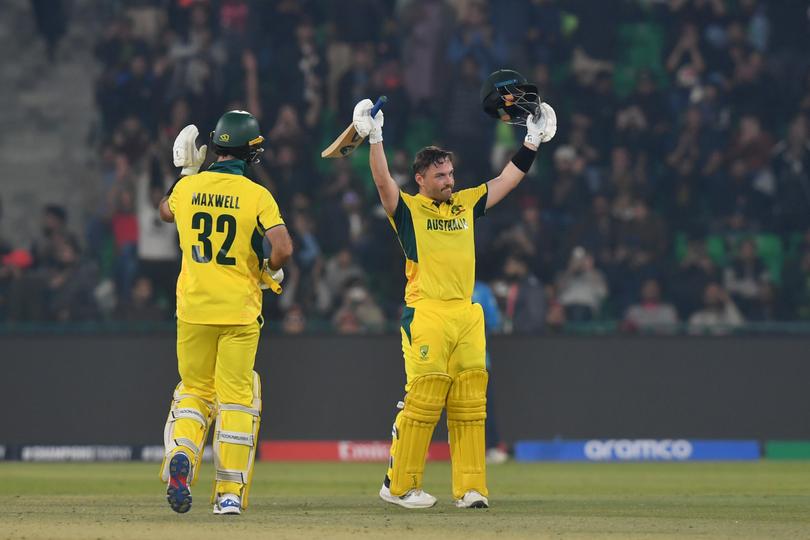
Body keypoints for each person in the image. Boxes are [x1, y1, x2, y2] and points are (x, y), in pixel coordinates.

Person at [352, 69, 556, 509]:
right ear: (422, 179)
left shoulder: (466, 203)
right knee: (425, 397)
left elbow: (507, 180)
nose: (450, 180)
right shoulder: (407, 210)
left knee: (470, 402)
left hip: (465, 314)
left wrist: (533, 142)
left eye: (451, 173)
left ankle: (471, 488)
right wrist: (374, 138)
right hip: (425, 312)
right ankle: (399, 485)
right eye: (441, 175)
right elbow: (384, 183)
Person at [157, 110, 293, 515]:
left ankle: (182, 453)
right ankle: (228, 495)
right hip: (239, 311)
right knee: (236, 400)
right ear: (252, 153)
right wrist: (269, 270)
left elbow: (164, 210)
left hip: (194, 310)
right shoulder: (257, 194)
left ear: (215, 145)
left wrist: (186, 172)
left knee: (195, 392)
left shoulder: (189, 189)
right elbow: (282, 245)